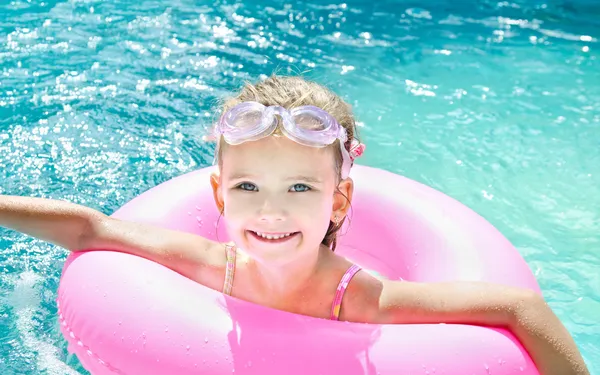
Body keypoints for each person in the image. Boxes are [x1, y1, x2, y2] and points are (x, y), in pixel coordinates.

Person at [0, 75, 589, 375]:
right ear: (218, 195)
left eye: (300, 189)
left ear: (337, 202)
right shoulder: (212, 265)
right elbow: (92, 230)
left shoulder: (363, 298)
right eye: (247, 188)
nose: (271, 213)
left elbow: (519, 308)